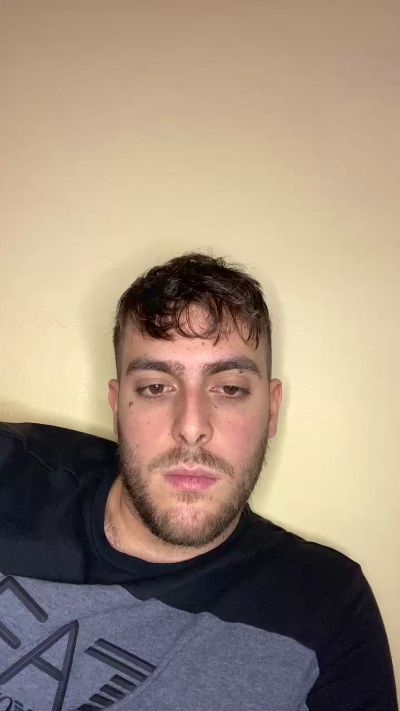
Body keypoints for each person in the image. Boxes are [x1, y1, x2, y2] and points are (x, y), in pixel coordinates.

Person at [0, 252, 397, 711]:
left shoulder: (325, 607)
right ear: (117, 405)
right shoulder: (11, 473)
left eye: (230, 389)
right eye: (155, 387)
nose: (191, 427)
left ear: (271, 410)